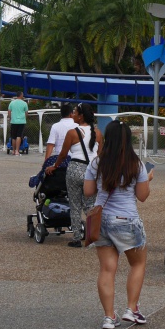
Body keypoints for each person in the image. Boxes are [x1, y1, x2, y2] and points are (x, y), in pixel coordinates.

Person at [84, 120, 151, 329]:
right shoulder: (136, 164)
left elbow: (88, 191)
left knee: (107, 269)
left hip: (102, 221)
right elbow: (142, 196)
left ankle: (109, 316)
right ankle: (131, 309)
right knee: (137, 263)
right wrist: (147, 179)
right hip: (127, 220)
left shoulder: (97, 163)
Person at [46, 103, 102, 247]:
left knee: (75, 204)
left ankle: (77, 237)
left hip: (75, 169)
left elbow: (63, 154)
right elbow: (101, 155)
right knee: (90, 205)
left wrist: (55, 166)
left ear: (81, 116)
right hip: (92, 171)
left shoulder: (72, 133)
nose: (73, 115)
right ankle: (93, 236)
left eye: (75, 112)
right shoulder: (98, 133)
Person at [7, 91, 28, 156]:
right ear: (21, 95)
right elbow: (26, 113)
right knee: (19, 136)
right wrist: (24, 118)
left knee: (13, 137)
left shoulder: (12, 103)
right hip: (21, 121)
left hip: (13, 121)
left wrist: (10, 118)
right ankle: (17, 151)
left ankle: (13, 150)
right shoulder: (24, 103)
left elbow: (9, 112)